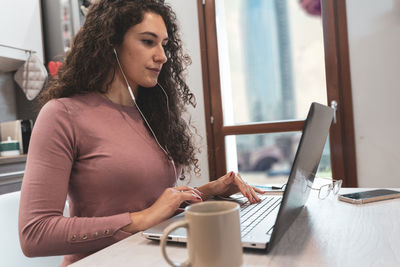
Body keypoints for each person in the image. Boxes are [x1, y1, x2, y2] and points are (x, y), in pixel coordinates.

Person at [18, 1, 264, 266]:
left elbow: (148, 202)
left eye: (165, 44)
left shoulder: (153, 113)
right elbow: (34, 234)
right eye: (148, 42)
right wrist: (141, 219)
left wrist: (208, 191)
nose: (162, 56)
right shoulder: (62, 114)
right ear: (111, 43)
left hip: (153, 257)